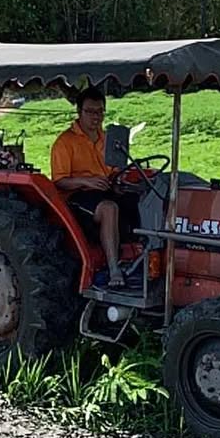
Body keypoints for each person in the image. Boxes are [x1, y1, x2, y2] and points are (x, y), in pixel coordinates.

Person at [51, 86, 137, 288]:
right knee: (109, 208)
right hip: (77, 195)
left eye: (100, 111)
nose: (96, 117)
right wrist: (86, 181)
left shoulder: (108, 139)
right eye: (90, 111)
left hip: (104, 189)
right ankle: (113, 269)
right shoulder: (64, 142)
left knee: (142, 200)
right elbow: (59, 181)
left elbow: (115, 169)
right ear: (79, 113)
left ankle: (140, 260)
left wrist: (118, 182)